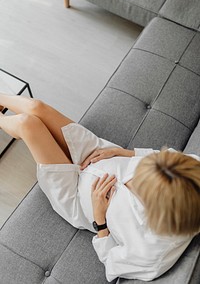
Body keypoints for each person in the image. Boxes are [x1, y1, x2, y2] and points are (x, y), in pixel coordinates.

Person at [0, 93, 200, 282]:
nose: (133, 178)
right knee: (36, 107)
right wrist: (122, 153)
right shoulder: (193, 174)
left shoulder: (154, 254)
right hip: (99, 153)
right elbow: (161, 157)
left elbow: (112, 263)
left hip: (75, 193)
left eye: (138, 183)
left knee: (27, 124)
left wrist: (100, 219)